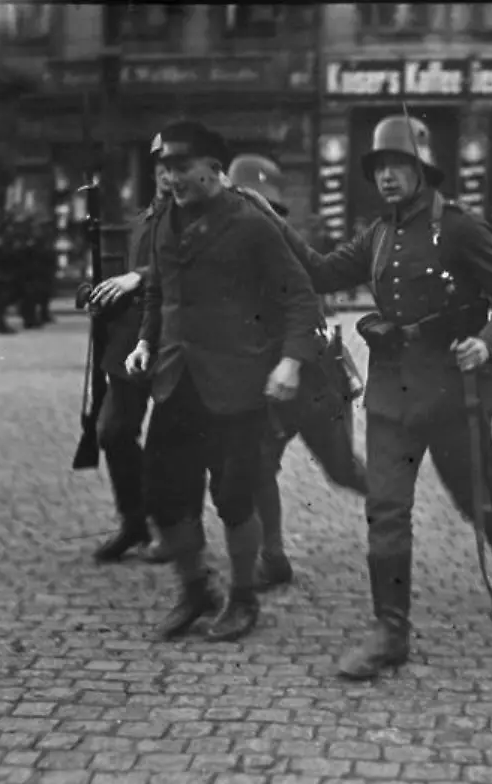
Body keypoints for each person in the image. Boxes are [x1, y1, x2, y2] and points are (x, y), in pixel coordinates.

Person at [254, 115, 492, 680]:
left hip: (452, 394)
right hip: (391, 394)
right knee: (386, 510)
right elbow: (323, 272)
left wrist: (488, 343)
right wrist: (270, 221)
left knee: (475, 500)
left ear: (421, 170)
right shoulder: (378, 235)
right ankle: (390, 630)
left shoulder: (460, 228)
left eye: (397, 166)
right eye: (379, 169)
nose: (386, 177)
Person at [104, 121, 322, 643]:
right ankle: (195, 587)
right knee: (163, 496)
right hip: (176, 381)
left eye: (181, 169)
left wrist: (291, 361)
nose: (171, 179)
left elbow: (300, 295)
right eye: (165, 170)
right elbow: (161, 291)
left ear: (213, 169)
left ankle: (243, 598)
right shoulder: (163, 222)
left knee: (234, 497)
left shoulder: (250, 222)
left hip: (237, 386)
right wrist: (144, 344)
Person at [226, 153, 368, 589]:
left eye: (272, 208)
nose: (265, 215)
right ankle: (273, 556)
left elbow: (308, 308)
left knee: (342, 469)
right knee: (259, 463)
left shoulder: (286, 246)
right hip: (267, 377)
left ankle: (392, 501)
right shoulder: (228, 247)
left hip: (315, 378)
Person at [89, 139, 174, 564]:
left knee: (169, 445)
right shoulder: (142, 220)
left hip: (174, 339)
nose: (165, 171)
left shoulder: (194, 219)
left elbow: (183, 265)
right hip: (131, 341)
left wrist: (137, 277)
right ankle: (135, 521)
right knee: (113, 431)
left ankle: (170, 527)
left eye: (175, 163)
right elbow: (129, 278)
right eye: (160, 163)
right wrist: (104, 293)